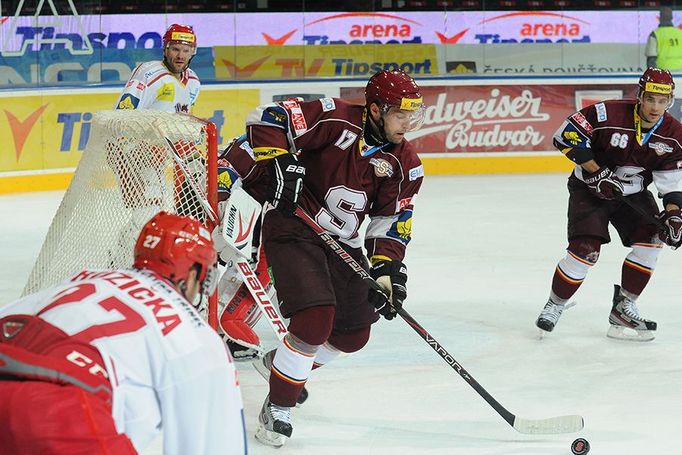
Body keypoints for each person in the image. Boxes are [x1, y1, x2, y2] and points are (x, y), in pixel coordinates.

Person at [221, 69, 425, 447]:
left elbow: (390, 220)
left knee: (353, 333)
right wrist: (281, 161)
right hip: (292, 225)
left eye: (413, 115)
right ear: (377, 110)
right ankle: (277, 409)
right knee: (315, 318)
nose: (408, 124)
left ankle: (280, 367)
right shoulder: (335, 117)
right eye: (401, 114)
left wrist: (386, 271)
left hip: (342, 244)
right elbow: (269, 118)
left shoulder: (404, 162)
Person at [0, 212, 247, 454]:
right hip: (61, 412)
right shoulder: (195, 333)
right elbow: (219, 444)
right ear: (194, 273)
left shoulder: (85, 278)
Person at [535, 67, 682, 342]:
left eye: (663, 101)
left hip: (633, 193)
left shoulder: (674, 134)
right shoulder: (607, 113)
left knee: (652, 239)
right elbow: (565, 135)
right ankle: (555, 303)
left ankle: (623, 308)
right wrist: (595, 171)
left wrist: (674, 215)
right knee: (585, 249)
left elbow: (671, 182)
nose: (655, 107)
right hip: (589, 189)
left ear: (670, 101)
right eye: (651, 99)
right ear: (640, 96)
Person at [115, 23, 200, 113]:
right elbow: (122, 116)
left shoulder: (193, 80)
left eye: (186, 51)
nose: (180, 56)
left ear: (192, 53)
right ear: (165, 49)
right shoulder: (148, 74)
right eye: (175, 49)